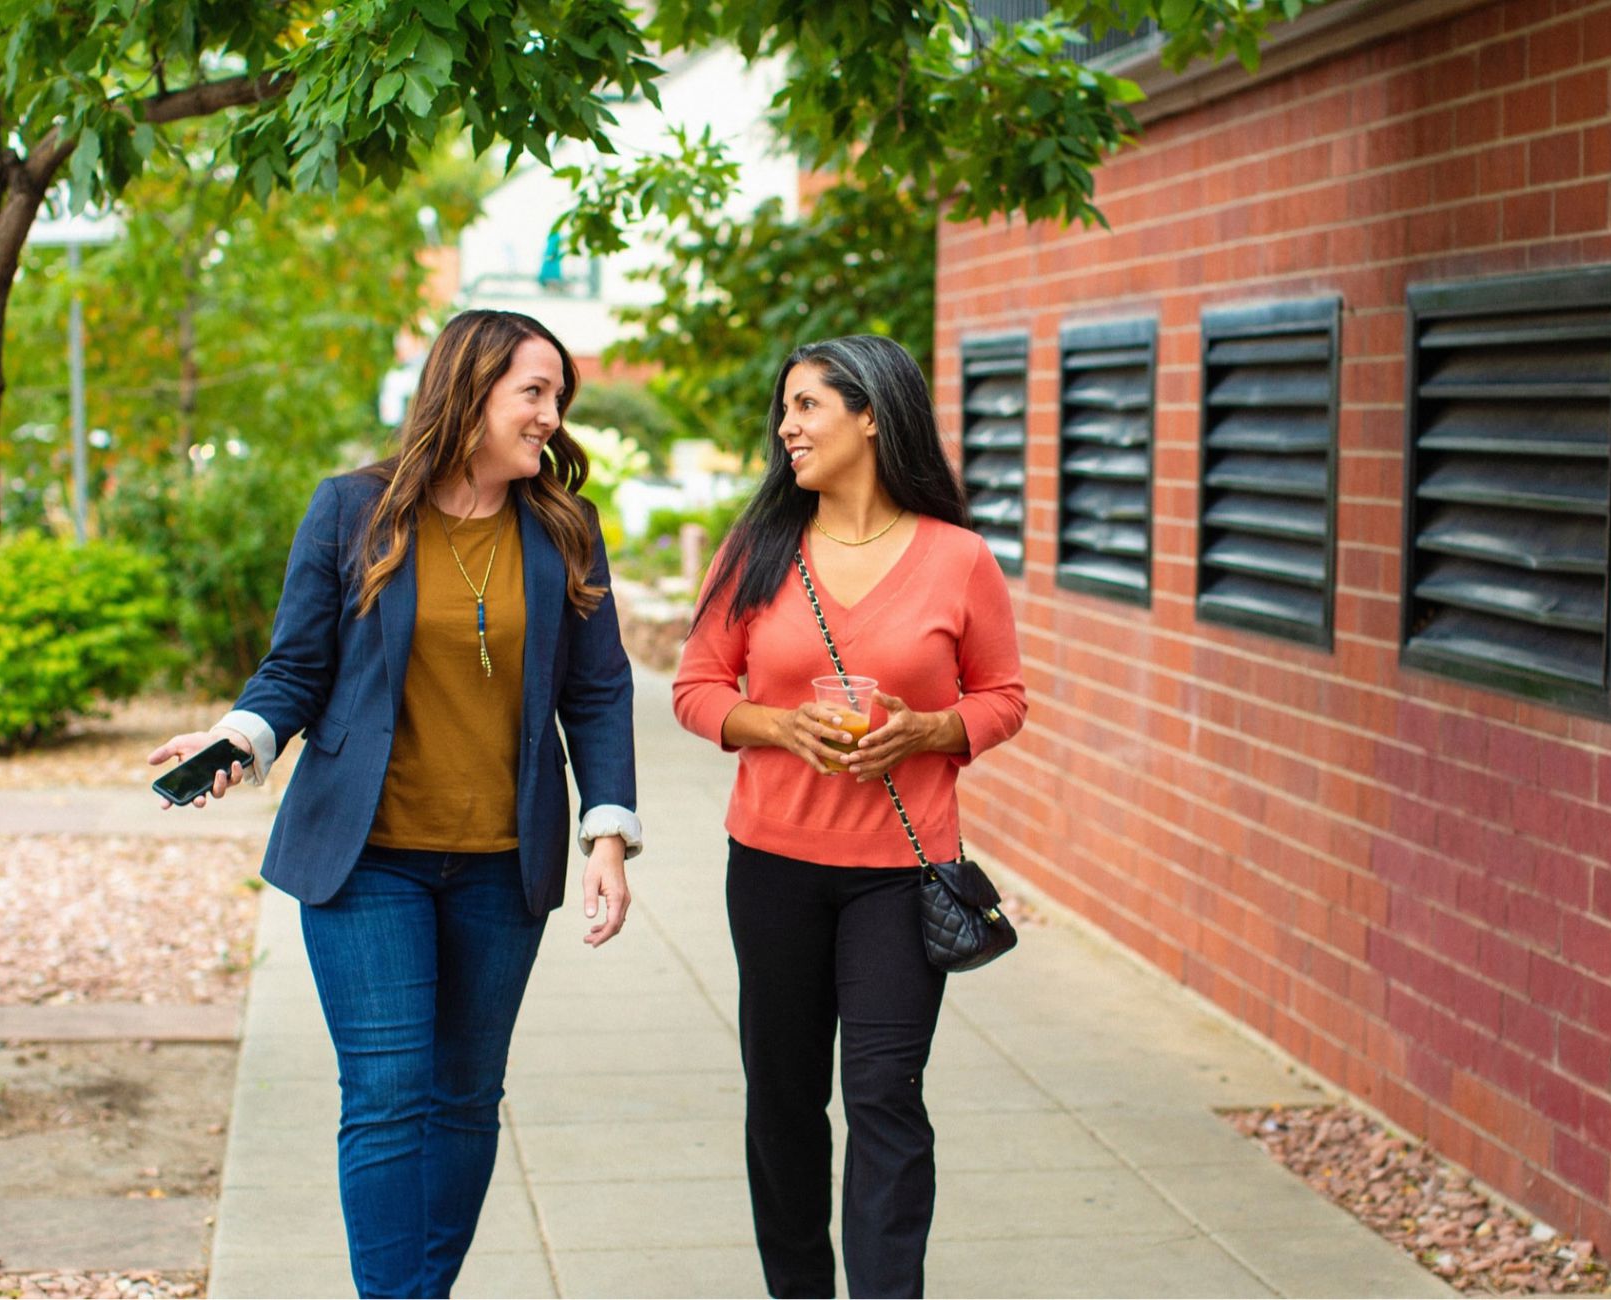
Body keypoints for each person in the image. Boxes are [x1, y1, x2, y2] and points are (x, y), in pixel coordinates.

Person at [148, 309, 641, 1298]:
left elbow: (596, 691)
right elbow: (296, 667)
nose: (551, 415)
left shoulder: (563, 527)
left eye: (558, 396)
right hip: (367, 855)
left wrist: (607, 833)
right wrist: (239, 737)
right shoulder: (352, 510)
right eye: (533, 392)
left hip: (503, 862)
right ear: (469, 391)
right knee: (385, 1094)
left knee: (465, 1097)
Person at [673, 335, 1026, 1298]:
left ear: (871, 414)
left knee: (885, 1096)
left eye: (807, 406)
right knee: (785, 1101)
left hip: (901, 875)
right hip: (773, 867)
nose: (786, 428)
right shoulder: (757, 550)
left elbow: (1004, 697)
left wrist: (930, 731)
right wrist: (779, 726)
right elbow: (698, 688)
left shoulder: (958, 559)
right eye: (783, 410)